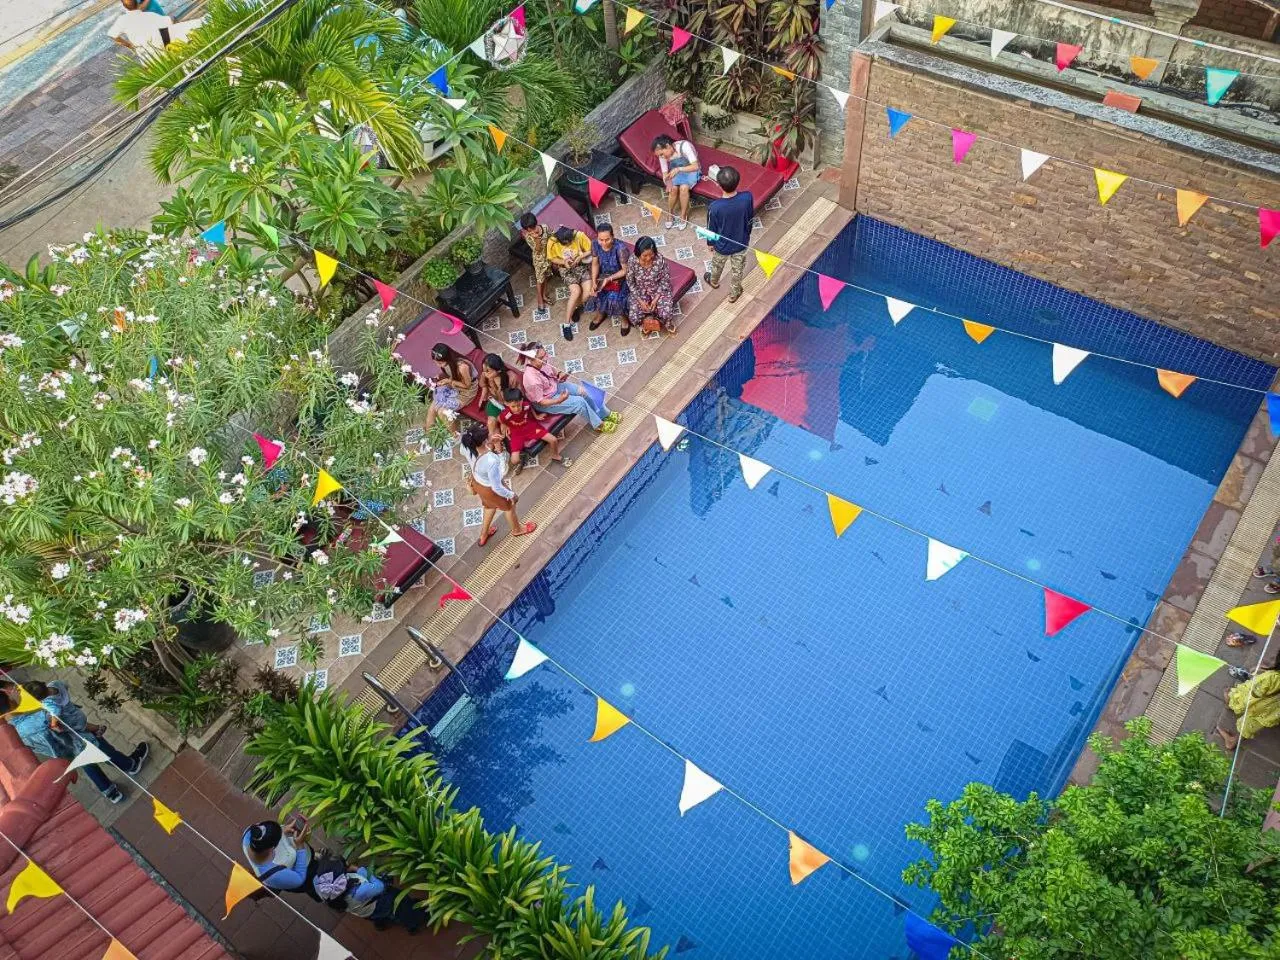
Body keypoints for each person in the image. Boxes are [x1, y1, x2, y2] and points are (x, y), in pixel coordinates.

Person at [4, 681, 148, 804]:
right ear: (9, 700)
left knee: (89, 767)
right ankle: (131, 765)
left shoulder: (14, 733)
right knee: (107, 753)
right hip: (84, 739)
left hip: (66, 752)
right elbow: (74, 723)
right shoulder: (42, 713)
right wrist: (95, 728)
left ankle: (111, 792)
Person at [520, 341, 620, 434]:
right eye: (541, 358)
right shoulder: (532, 380)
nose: (545, 359)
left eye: (544, 355)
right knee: (579, 403)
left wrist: (560, 375)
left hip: (553, 387)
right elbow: (541, 401)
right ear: (531, 359)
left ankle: (604, 414)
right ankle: (598, 425)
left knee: (584, 391)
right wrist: (559, 400)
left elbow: (552, 372)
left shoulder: (542, 360)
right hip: (546, 401)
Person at [460, 424, 535, 546]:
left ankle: (484, 534)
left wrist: (490, 443)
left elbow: (478, 450)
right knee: (509, 507)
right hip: (490, 489)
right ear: (483, 440)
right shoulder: (491, 460)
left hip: (478, 483)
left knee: (489, 507)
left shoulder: (466, 445)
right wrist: (511, 495)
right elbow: (497, 486)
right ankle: (517, 530)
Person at [312, 858, 429, 933]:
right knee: (402, 907)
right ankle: (414, 922)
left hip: (366, 911)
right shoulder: (359, 892)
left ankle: (380, 923)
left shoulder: (323, 888)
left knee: (376, 916)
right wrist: (359, 870)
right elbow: (380, 886)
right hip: (382, 902)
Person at [702, 165, 754, 304]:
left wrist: (710, 243)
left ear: (718, 185)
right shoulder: (747, 197)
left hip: (721, 246)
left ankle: (713, 281)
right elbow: (750, 218)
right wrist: (747, 234)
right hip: (741, 243)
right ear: (738, 181)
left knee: (717, 265)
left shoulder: (715, 207)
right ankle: (734, 294)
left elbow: (711, 228)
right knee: (737, 271)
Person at [499, 388, 571, 472]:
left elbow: (530, 408)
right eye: (513, 406)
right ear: (506, 404)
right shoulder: (505, 415)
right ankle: (522, 456)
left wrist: (536, 416)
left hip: (532, 429)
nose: (517, 409)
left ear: (522, 400)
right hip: (517, 434)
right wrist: (506, 427)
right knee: (514, 461)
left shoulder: (526, 405)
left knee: (553, 439)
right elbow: (501, 420)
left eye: (518, 405)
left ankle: (555, 456)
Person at [547, 226, 593, 341]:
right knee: (576, 291)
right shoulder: (552, 242)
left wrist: (580, 257)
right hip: (565, 269)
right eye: (565, 244)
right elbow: (552, 258)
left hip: (581, 266)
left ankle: (575, 307)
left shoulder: (579, 235)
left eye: (569, 243)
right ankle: (566, 324)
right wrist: (564, 262)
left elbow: (591, 249)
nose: (568, 245)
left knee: (587, 292)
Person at [242, 819, 314, 893]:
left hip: (297, 855)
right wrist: (300, 846)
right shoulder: (274, 876)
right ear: (272, 848)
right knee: (312, 885)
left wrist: (282, 830)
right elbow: (300, 878)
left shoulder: (249, 833)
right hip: (306, 870)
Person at [585, 223, 630, 333]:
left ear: (613, 236)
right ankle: (601, 314)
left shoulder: (620, 248)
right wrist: (594, 281)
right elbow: (595, 264)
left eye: (607, 239)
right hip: (603, 275)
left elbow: (625, 270)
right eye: (601, 240)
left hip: (619, 278)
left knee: (614, 298)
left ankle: (624, 319)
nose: (604, 243)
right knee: (595, 292)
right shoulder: (595, 244)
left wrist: (609, 279)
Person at [627, 236, 677, 335]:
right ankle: (646, 322)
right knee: (634, 316)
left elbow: (665, 279)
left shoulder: (659, 259)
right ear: (638, 254)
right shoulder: (632, 261)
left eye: (651, 254)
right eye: (644, 256)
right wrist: (640, 301)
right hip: (640, 290)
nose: (649, 258)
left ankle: (667, 323)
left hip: (658, 289)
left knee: (666, 312)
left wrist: (656, 299)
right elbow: (630, 282)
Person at [425, 343, 478, 436]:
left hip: (466, 392)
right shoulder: (449, 364)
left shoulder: (462, 367)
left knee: (442, 411)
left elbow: (467, 385)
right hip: (454, 386)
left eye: (440, 363)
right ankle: (428, 434)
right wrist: (447, 380)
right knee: (434, 404)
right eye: (435, 362)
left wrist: (449, 381)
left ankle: (455, 435)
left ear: (448, 358)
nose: (438, 365)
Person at [1218, 670, 1280, 749]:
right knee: (1258, 720)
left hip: (1262, 701)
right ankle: (1233, 740)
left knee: (1247, 699)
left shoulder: (1274, 677)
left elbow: (1255, 693)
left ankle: (1231, 703)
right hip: (1274, 709)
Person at [652, 134, 700, 231]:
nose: (662, 157)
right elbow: (665, 173)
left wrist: (679, 169)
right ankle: (670, 213)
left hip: (690, 169)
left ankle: (683, 215)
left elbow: (696, 166)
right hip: (675, 171)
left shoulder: (685, 146)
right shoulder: (662, 156)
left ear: (668, 146)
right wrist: (668, 184)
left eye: (662, 154)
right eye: (659, 155)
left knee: (683, 188)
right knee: (673, 189)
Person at [519, 213, 552, 309]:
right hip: (539, 260)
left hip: (548, 256)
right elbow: (537, 250)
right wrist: (537, 239)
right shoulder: (528, 237)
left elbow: (551, 236)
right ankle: (540, 299)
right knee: (539, 280)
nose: (533, 231)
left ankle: (544, 295)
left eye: (533, 228)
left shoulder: (545, 228)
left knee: (545, 277)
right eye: (529, 230)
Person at [477, 352, 516, 434]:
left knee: (503, 429)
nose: (485, 373)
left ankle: (496, 440)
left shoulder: (511, 378)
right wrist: (482, 398)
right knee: (491, 423)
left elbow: (515, 399)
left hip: (509, 405)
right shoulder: (485, 375)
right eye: (484, 370)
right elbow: (484, 386)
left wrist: (506, 420)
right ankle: (493, 444)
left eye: (488, 371)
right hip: (495, 403)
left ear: (499, 370)